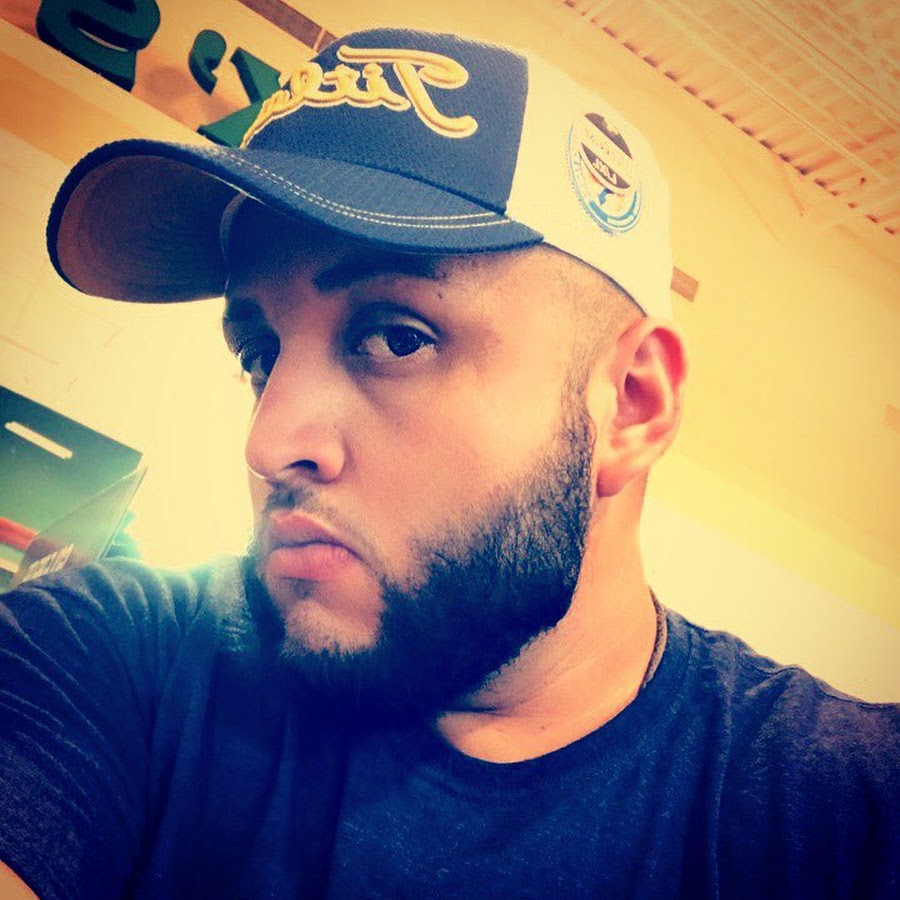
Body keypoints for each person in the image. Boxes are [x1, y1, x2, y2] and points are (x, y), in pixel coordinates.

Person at [1, 26, 897, 900]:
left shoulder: (843, 817)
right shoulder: (110, 657)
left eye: (397, 337)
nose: (267, 445)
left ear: (630, 405)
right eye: (260, 354)